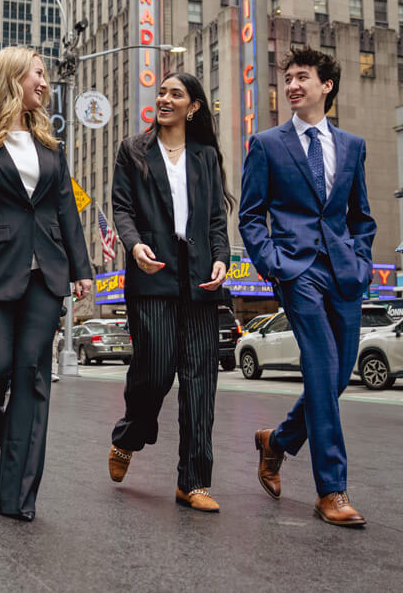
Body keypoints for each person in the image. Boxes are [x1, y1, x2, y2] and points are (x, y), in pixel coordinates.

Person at [0, 45, 92, 522]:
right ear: (13, 78)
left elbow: (65, 209)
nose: (45, 83)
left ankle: (17, 498)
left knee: (32, 375)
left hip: (45, 273)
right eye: (38, 74)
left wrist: (82, 269)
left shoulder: (51, 146)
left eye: (46, 75)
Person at [237, 46, 377, 528]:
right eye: (288, 78)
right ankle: (332, 491)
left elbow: (361, 215)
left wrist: (361, 260)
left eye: (302, 78)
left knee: (338, 377)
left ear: (326, 86)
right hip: (297, 271)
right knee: (320, 369)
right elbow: (251, 216)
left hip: (345, 273)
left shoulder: (353, 146)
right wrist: (274, 265)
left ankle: (275, 442)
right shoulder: (268, 144)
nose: (292, 86)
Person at [106, 72, 234, 513]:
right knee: (156, 369)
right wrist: (133, 243)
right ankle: (129, 435)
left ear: (193, 106)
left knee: (201, 382)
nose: (164, 98)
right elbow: (120, 207)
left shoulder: (205, 156)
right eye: (161, 92)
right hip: (153, 273)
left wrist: (223, 258)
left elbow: (217, 219)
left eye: (174, 94)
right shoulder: (133, 151)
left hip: (200, 279)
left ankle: (193, 481)